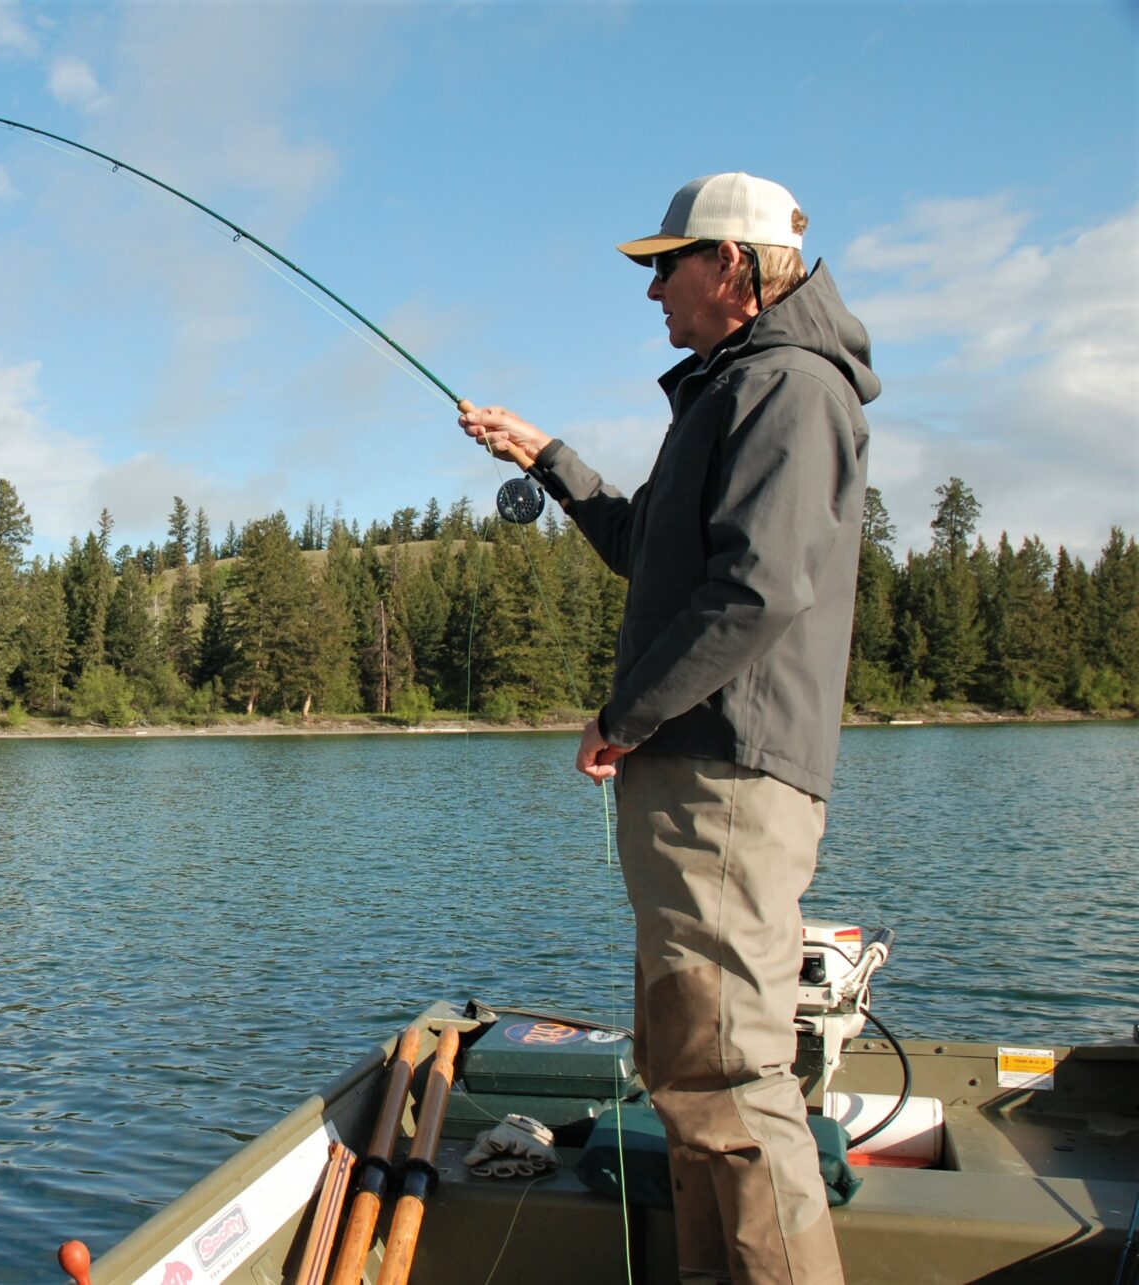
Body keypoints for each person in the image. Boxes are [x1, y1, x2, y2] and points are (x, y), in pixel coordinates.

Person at [460, 172, 877, 1285]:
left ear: (730, 268)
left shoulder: (786, 388)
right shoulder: (731, 392)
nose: (652, 292)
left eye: (667, 265)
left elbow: (758, 589)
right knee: (688, 1070)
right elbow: (652, 543)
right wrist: (548, 460)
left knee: (731, 1083)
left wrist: (624, 713)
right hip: (697, 775)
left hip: (725, 779)